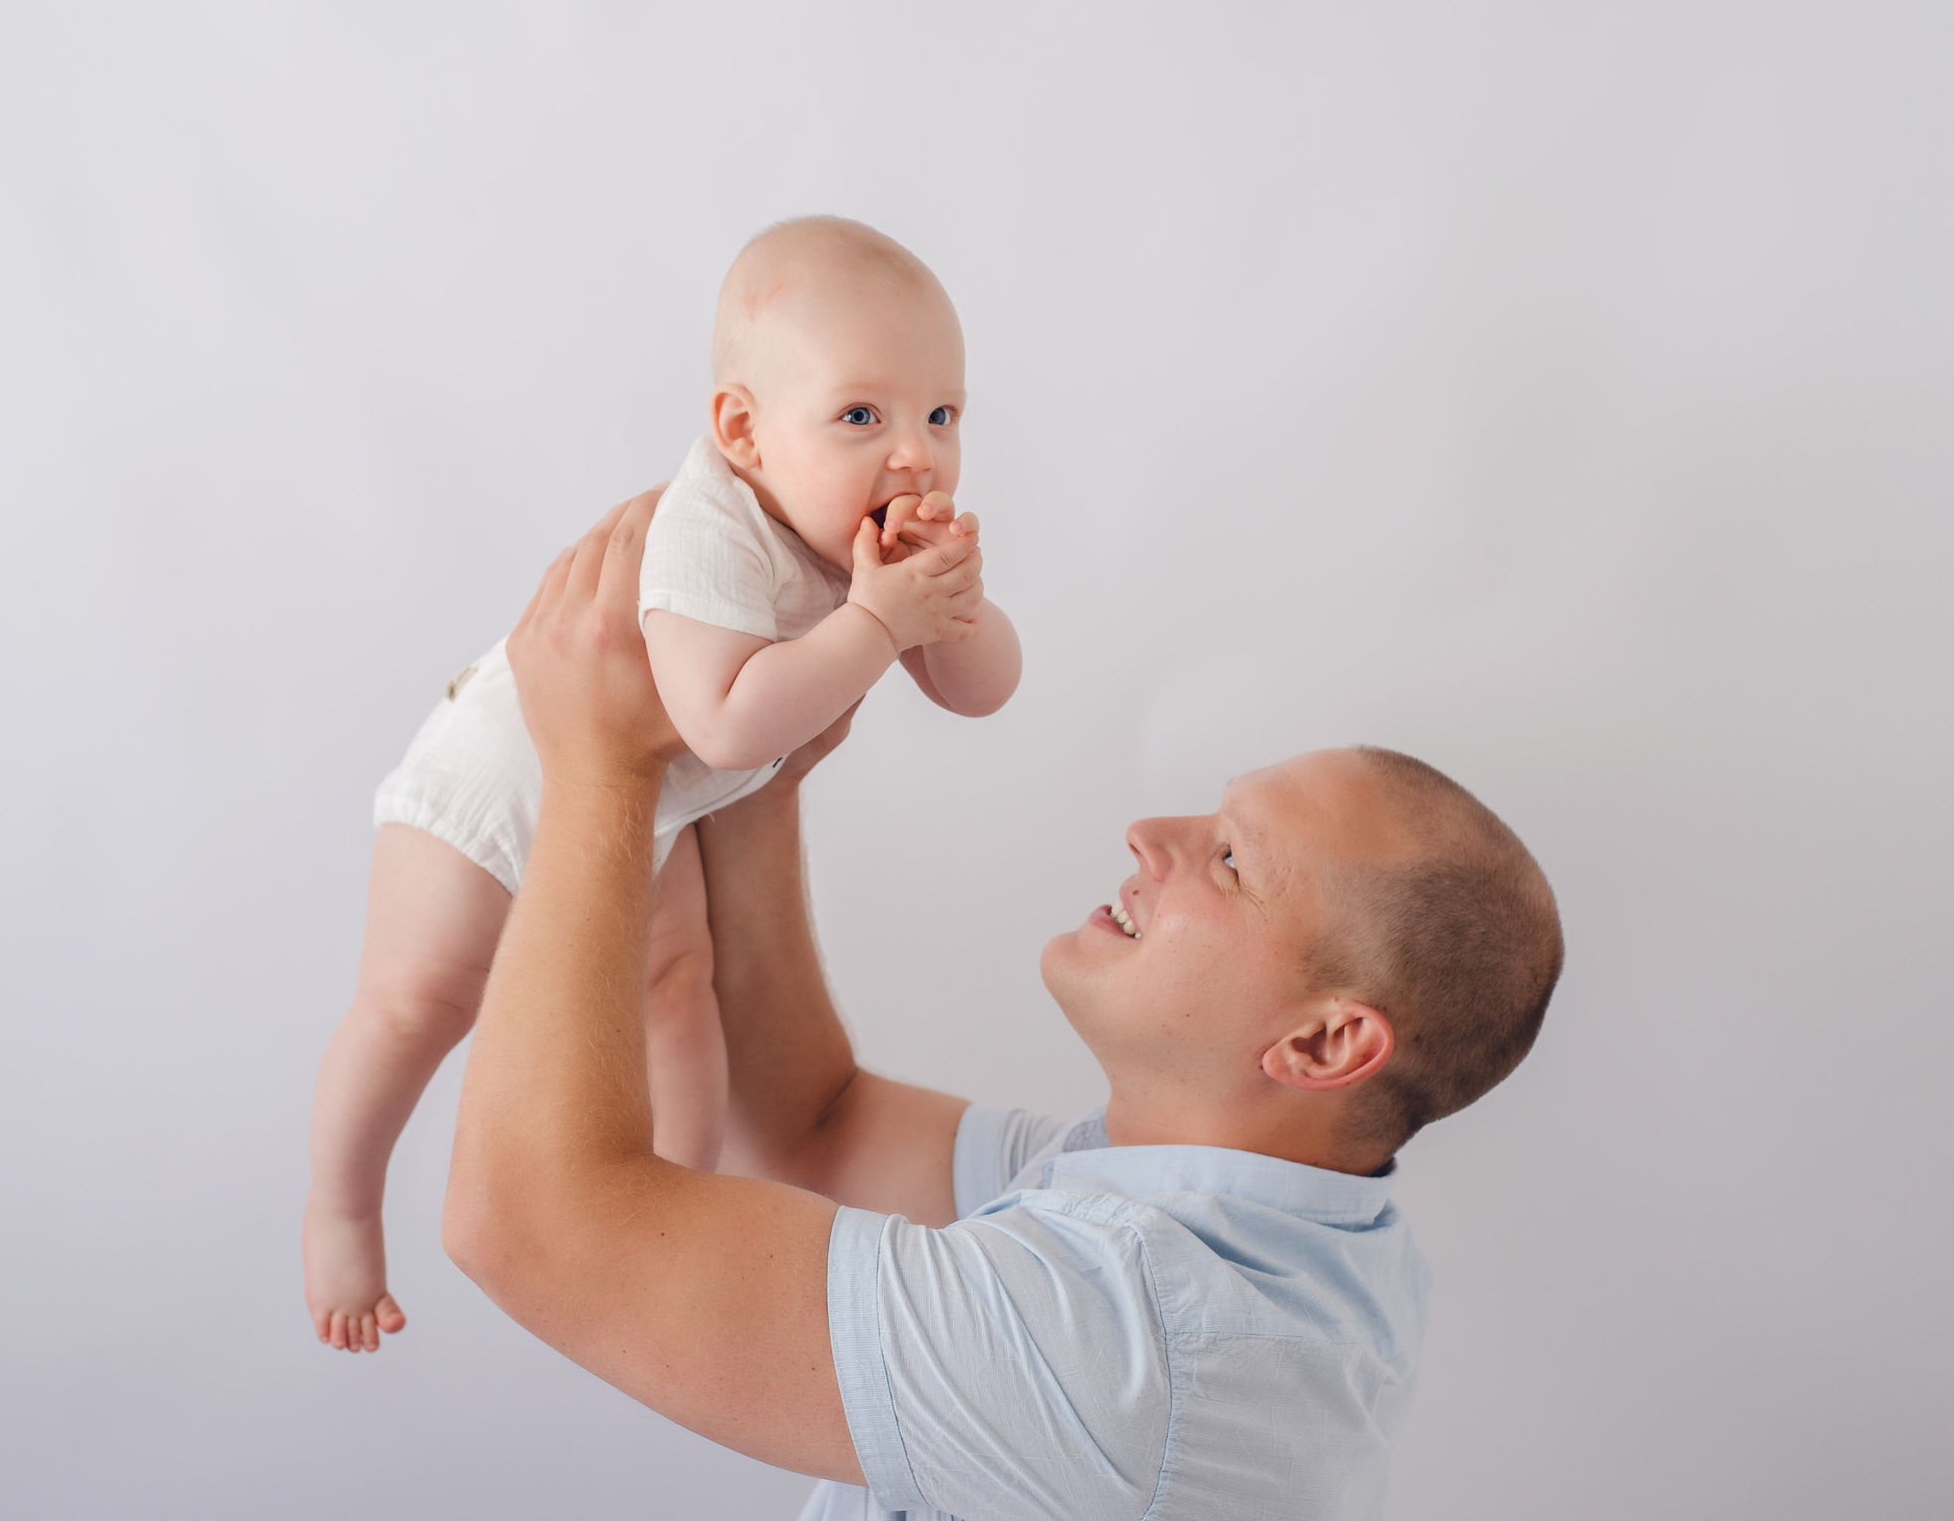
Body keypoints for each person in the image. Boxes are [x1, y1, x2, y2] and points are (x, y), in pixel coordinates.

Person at [445, 493, 1564, 1521]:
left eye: (1228, 860)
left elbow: (526, 1225)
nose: (1151, 834)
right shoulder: (1272, 1224)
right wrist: (763, 769)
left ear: (1323, 1041)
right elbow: (812, 1122)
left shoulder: (1134, 1346)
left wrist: (596, 763)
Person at [304, 218, 1024, 1352]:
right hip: (490, 790)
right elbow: (725, 722)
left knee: (682, 986)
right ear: (741, 429)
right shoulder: (708, 529)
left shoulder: (860, 538)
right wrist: (881, 623)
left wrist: (948, 609)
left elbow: (981, 690)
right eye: (861, 416)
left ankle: (669, 1207)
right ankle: (340, 1205)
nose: (914, 454)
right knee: (415, 1005)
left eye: (942, 415)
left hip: (636, 810)